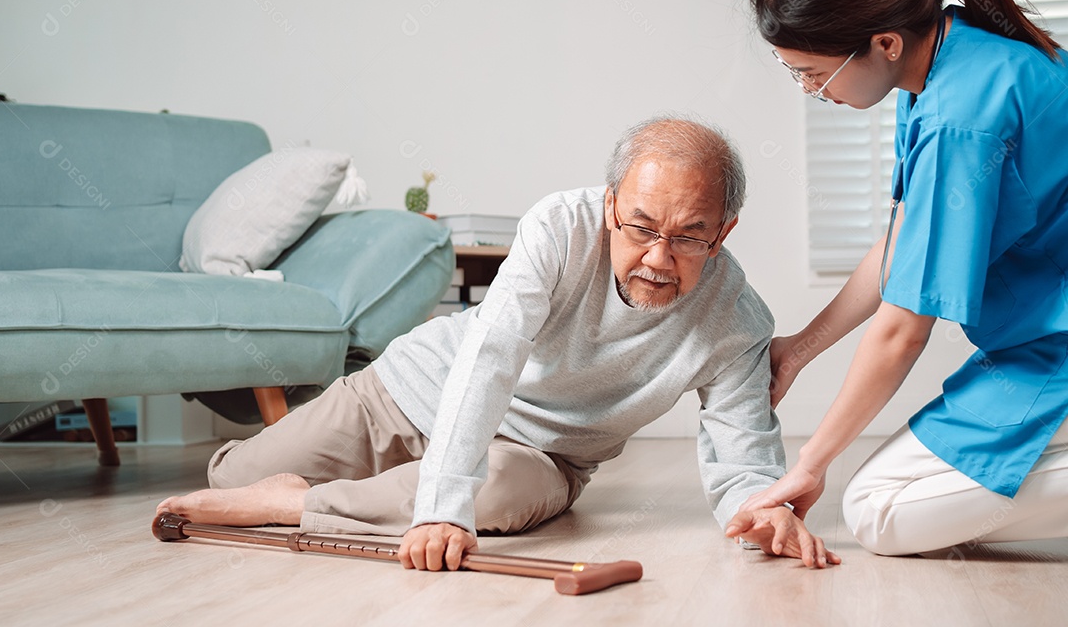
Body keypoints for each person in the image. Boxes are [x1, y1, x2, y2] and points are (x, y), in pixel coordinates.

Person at [158, 116, 840, 570]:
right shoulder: (559, 226)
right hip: (403, 395)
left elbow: (742, 454)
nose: (659, 257)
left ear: (723, 231)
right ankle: (303, 489)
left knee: (494, 500)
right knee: (227, 478)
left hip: (537, 455)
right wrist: (439, 499)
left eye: (689, 235)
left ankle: (291, 505)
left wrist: (764, 512)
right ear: (610, 207)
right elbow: (492, 356)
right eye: (640, 227)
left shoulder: (735, 319)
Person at [737, 0, 1068, 556]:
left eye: (813, 72)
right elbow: (901, 248)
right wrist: (800, 349)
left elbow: (904, 326)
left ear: (884, 43)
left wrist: (810, 463)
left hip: (1053, 351)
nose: (810, 90)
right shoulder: (951, 55)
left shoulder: (959, 118)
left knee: (875, 511)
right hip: (1039, 344)